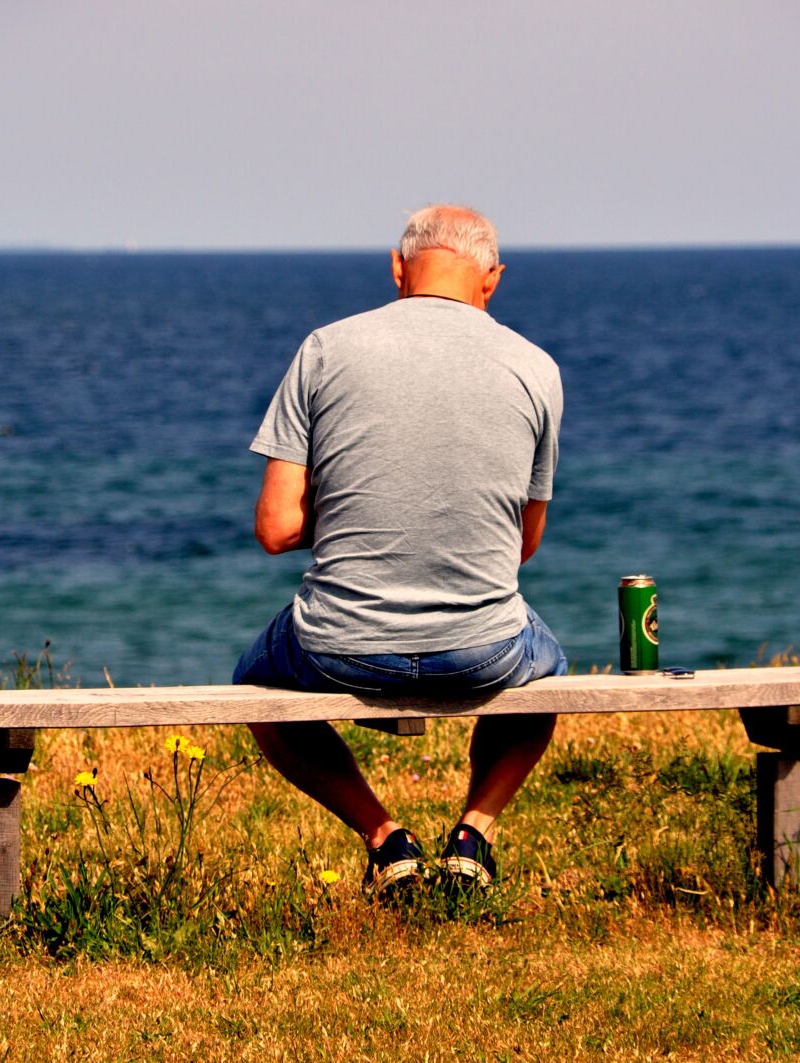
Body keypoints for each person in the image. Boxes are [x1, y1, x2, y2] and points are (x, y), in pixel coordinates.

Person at [232, 204, 567, 896]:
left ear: (396, 268)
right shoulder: (536, 367)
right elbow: (524, 546)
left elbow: (274, 528)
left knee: (256, 686)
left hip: (341, 643)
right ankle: (475, 828)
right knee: (549, 671)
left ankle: (385, 838)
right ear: (492, 280)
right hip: (484, 648)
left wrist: (358, 510)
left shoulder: (326, 348)